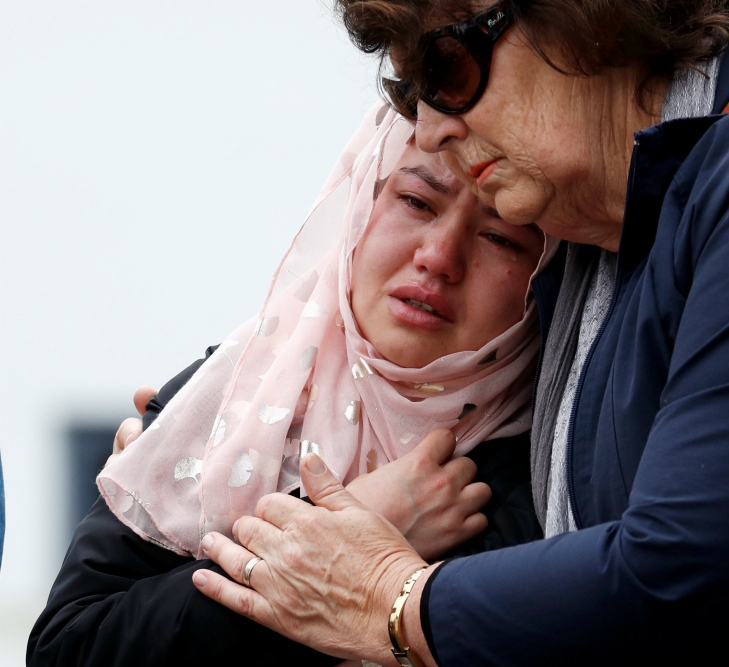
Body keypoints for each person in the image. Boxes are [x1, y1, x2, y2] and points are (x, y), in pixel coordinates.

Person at [189, 1, 729, 665]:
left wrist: (393, 602)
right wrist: (206, 447)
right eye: (410, 94)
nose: (430, 127)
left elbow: (690, 576)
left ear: (585, 17)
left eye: (444, 68)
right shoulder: (607, 233)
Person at [27, 113, 556, 666]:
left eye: (500, 236)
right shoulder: (239, 393)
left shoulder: (540, 473)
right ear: (358, 207)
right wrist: (343, 532)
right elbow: (68, 649)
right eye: (416, 202)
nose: (438, 257)